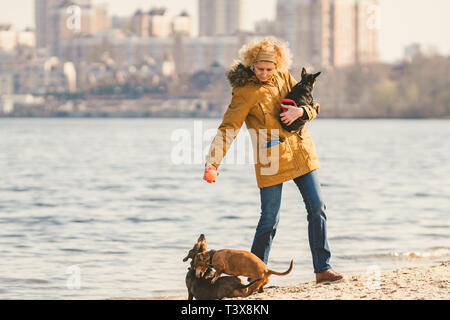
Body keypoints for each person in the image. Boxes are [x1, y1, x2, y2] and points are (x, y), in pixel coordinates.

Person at [203, 37, 343, 284]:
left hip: (301, 151)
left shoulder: (284, 76)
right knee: (269, 219)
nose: (266, 74)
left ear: (277, 65)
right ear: (251, 64)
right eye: (260, 69)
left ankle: (323, 268)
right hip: (270, 159)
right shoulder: (244, 91)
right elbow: (228, 128)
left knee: (318, 208)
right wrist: (213, 163)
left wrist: (302, 112)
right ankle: (255, 276)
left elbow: (310, 103)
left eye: (270, 69)